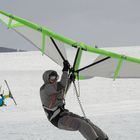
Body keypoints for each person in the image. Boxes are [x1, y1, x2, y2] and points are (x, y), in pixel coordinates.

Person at [40, 60, 109, 140]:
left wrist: (70, 79)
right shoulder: (45, 88)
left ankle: (104, 138)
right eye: (52, 77)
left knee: (86, 121)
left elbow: (63, 89)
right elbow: (62, 85)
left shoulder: (55, 87)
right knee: (81, 124)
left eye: (56, 77)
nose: (55, 79)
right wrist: (65, 71)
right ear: (46, 79)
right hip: (57, 119)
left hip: (64, 114)